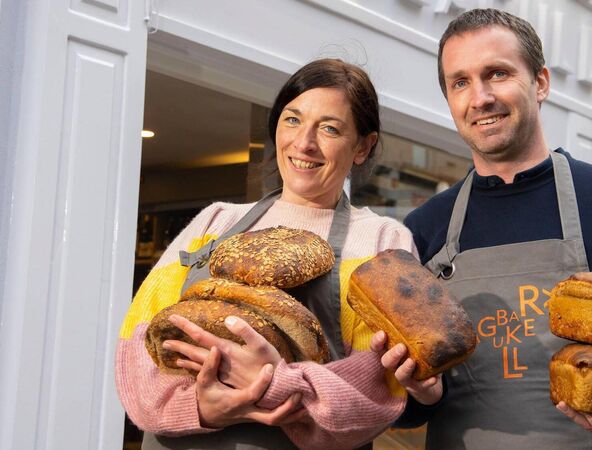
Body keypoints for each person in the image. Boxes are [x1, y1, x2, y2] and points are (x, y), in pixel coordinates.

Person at [378, 8, 592, 449]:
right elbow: (410, 407)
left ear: (540, 82)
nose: (479, 97)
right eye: (460, 82)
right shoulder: (426, 226)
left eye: (497, 73)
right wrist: (419, 394)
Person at [115, 58, 430, 450]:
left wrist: (274, 384)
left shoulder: (382, 241)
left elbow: (380, 389)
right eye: (293, 119)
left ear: (362, 146)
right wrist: (203, 406)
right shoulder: (214, 221)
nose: (304, 143)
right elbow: (136, 347)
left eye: (329, 128)